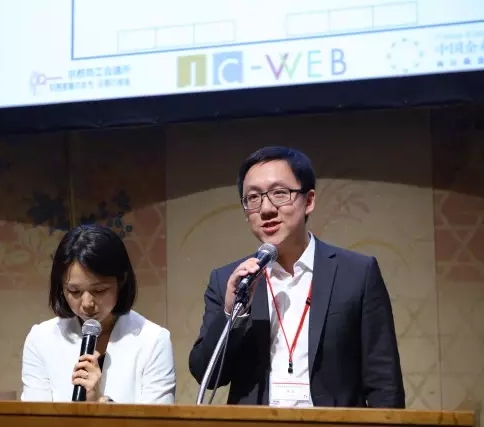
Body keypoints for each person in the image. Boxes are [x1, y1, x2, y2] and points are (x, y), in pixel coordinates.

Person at [188, 146, 405, 408]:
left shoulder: (357, 273)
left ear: (309, 200)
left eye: (279, 193)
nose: (266, 209)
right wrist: (233, 313)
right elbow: (207, 375)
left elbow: (384, 383)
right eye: (253, 198)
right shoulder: (230, 281)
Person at [21, 224, 176, 403]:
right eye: (74, 291)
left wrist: (100, 403)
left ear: (121, 282)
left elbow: (158, 417)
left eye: (99, 290)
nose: (87, 303)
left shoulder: (153, 340)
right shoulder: (41, 339)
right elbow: (36, 415)